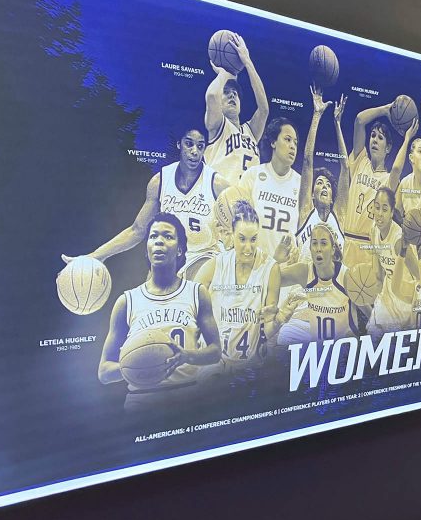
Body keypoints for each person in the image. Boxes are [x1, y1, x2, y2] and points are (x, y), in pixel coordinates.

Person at [63, 126, 229, 278]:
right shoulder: (160, 182)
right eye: (189, 144)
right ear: (179, 144)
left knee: (193, 291)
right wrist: (96, 256)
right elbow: (137, 230)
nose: (195, 151)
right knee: (150, 291)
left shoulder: (217, 183)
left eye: (200, 146)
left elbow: (243, 224)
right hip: (170, 259)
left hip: (205, 256)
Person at [98, 213, 222, 412]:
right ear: (146, 249)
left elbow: (215, 352)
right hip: (141, 404)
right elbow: (104, 372)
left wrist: (186, 356)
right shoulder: (126, 302)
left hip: (188, 401)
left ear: (180, 249)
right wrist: (137, 364)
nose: (159, 242)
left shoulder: (197, 293)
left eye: (168, 236)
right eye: (153, 236)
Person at [193, 201, 281, 372]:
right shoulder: (214, 266)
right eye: (242, 239)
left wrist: (279, 318)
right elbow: (190, 309)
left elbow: (270, 329)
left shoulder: (271, 269)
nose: (248, 248)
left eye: (253, 239)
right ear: (232, 234)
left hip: (249, 366)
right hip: (213, 364)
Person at [338, 99, 415, 267]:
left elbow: (396, 169)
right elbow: (359, 120)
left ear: (388, 148)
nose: (374, 140)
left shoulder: (387, 180)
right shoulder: (360, 161)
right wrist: (385, 109)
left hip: (370, 247)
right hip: (348, 240)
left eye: (380, 138)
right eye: (373, 136)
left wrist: (407, 139)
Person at [274, 224, 356, 344]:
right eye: (314, 243)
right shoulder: (303, 271)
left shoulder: (347, 276)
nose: (318, 248)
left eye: (323, 243)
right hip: (301, 325)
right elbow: (268, 280)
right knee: (284, 337)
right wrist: (276, 260)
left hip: (335, 338)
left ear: (333, 249)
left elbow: (361, 316)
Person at [203, 34, 269, 184]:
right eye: (226, 93)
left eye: (235, 94)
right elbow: (212, 95)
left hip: (247, 202)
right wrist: (225, 73)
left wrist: (247, 61)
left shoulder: (250, 132)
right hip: (219, 199)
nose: (232, 95)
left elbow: (264, 108)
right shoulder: (217, 125)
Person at [294, 86, 346, 261]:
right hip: (302, 287)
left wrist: (337, 124)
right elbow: (308, 161)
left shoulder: (339, 216)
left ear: (332, 198)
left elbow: (345, 167)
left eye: (328, 185)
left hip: (332, 287)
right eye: (319, 183)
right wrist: (317, 115)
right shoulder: (306, 212)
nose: (324, 186)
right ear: (312, 196)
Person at [238, 116, 301, 257]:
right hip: (254, 264)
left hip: (285, 269)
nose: (292, 146)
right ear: (273, 142)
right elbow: (238, 222)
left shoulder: (301, 183)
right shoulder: (253, 175)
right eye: (287, 139)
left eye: (295, 143)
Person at [369, 188, 408, 335]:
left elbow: (418, 276)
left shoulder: (399, 240)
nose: (379, 213)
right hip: (387, 296)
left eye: (384, 209)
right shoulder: (373, 231)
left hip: (405, 299)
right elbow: (378, 274)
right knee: (372, 342)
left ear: (391, 213)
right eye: (377, 207)